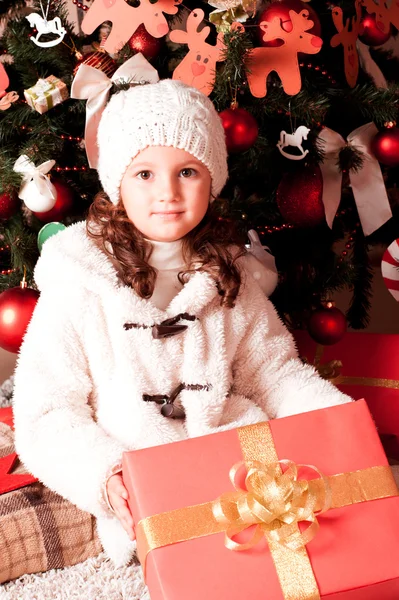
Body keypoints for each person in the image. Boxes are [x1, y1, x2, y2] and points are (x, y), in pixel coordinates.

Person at [12, 75, 351, 568]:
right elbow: (46, 414)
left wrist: (337, 421)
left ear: (212, 179)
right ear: (117, 182)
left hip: (243, 477)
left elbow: (275, 373)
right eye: (144, 174)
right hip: (146, 490)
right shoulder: (80, 282)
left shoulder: (228, 275)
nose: (167, 193)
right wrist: (104, 475)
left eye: (187, 172)